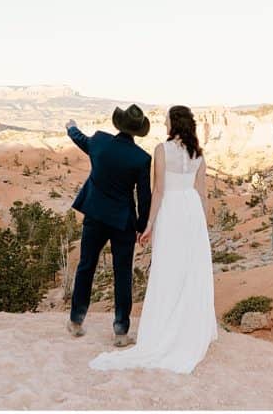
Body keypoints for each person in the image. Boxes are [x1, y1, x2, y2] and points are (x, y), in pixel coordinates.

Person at [90, 105, 217, 373]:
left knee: (167, 270)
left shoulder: (162, 150)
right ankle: (189, 330)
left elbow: (158, 191)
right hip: (192, 213)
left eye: (167, 120)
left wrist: (147, 224)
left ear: (175, 124)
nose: (164, 124)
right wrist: (202, 227)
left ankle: (164, 329)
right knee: (190, 272)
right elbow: (202, 193)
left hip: (171, 211)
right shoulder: (198, 155)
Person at [65, 104, 152, 345]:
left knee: (86, 266)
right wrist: (143, 225)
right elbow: (144, 196)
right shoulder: (142, 158)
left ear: (118, 124)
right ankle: (121, 332)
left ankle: (76, 321)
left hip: (94, 214)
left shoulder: (100, 141)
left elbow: (80, 139)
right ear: (137, 131)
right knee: (123, 274)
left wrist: (71, 127)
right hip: (123, 221)